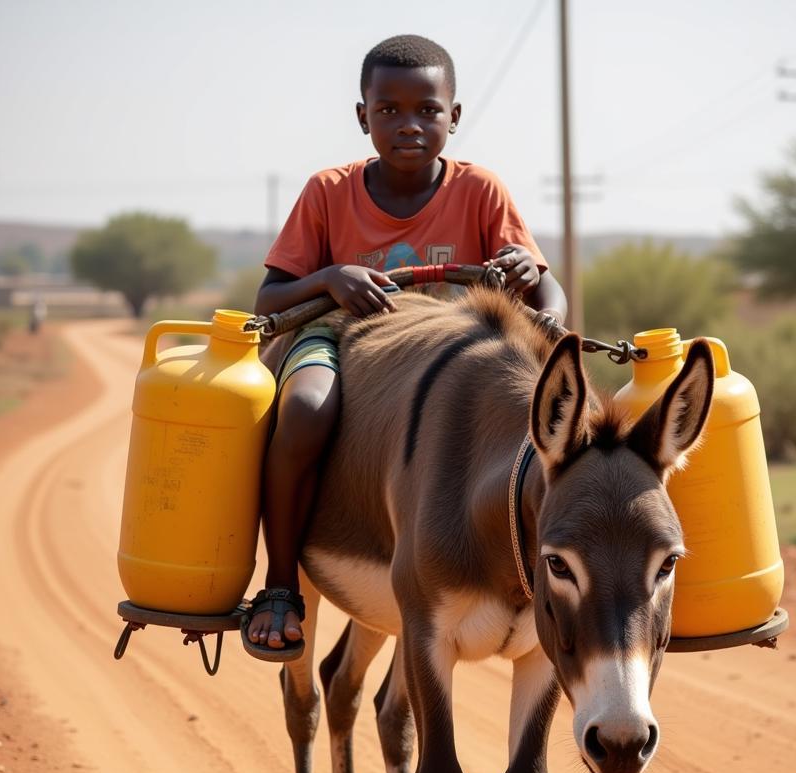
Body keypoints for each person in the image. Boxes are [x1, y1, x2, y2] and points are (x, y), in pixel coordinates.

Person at [243, 33, 567, 659]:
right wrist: (329, 279)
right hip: (344, 338)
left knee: (559, 436)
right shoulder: (327, 191)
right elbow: (270, 300)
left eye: (428, 110)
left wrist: (541, 300)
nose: (409, 124)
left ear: (455, 116)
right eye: (388, 110)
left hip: (457, 359)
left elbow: (548, 293)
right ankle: (280, 583)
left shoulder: (481, 191)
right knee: (305, 410)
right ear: (363, 117)